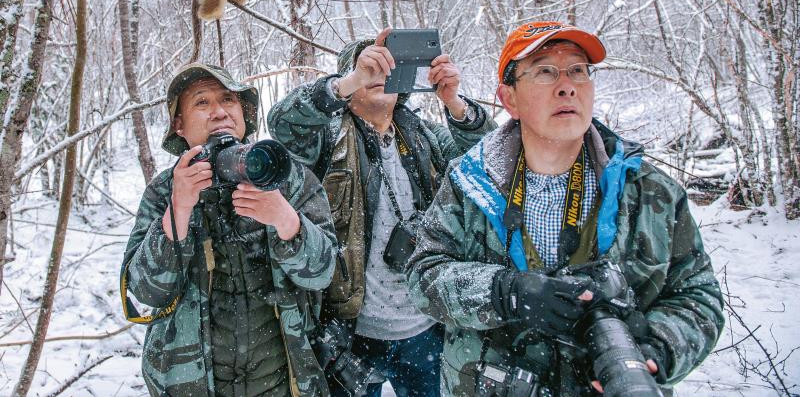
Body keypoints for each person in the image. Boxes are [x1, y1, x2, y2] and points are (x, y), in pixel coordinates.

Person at [406, 21, 724, 395]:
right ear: (509, 99)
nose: (567, 85)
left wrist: (658, 346)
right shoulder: (470, 182)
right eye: (544, 71)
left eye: (578, 70)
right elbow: (423, 275)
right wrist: (504, 292)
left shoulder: (649, 190)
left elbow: (697, 294)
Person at [267, 28, 497, 396]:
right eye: (367, 68)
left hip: (426, 327)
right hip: (352, 333)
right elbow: (281, 123)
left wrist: (455, 103)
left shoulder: (425, 136)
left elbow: (487, 163)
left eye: (386, 69)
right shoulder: (325, 140)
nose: (378, 76)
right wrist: (352, 79)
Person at [120, 63, 337, 397]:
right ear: (179, 125)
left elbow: (323, 273)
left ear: (243, 113)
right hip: (190, 384)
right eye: (202, 103)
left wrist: (286, 220)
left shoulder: (282, 173)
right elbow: (146, 293)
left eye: (228, 100)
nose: (219, 112)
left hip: (283, 381)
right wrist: (178, 211)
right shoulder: (165, 190)